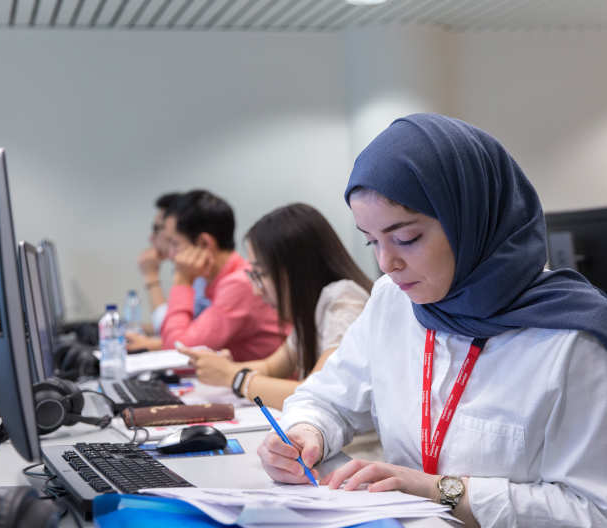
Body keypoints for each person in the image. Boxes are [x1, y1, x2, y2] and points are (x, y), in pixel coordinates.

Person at [257, 114, 607, 527]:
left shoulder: (573, 341)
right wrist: (304, 434)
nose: (388, 263)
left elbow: (593, 510)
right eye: (372, 241)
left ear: (470, 221)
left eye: (406, 238)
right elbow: (327, 398)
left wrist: (440, 490)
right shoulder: (394, 302)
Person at [182, 203, 372, 409]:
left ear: (297, 270)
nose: (257, 290)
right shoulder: (313, 311)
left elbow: (319, 394)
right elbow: (270, 367)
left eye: (261, 274)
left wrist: (234, 377)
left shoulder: (344, 300)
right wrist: (221, 368)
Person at [161, 190, 285, 361]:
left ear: (204, 243)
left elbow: (177, 353)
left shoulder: (240, 284)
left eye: (175, 244)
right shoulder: (219, 279)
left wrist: (181, 280)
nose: (170, 255)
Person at [126, 192, 181, 352]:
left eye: (157, 228)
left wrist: (151, 276)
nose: (151, 238)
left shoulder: (199, 278)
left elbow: (169, 331)